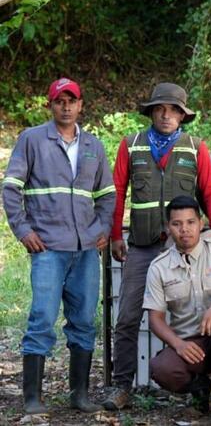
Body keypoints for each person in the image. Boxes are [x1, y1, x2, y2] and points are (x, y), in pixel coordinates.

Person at [104, 82, 211, 410]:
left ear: (183, 115)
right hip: (142, 246)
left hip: (185, 249)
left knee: (192, 314)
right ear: (151, 112)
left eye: (173, 109)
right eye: (160, 108)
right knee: (128, 316)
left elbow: (210, 192)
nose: (166, 114)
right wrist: (116, 234)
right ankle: (121, 387)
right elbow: (117, 191)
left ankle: (196, 382)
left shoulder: (195, 147)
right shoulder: (131, 145)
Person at [2, 78, 115, 414]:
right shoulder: (32, 139)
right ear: (50, 106)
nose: (66, 107)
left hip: (85, 250)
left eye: (72, 101)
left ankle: (79, 396)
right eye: (59, 101)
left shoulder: (94, 145)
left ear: (81, 105)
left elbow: (107, 196)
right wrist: (23, 230)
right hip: (48, 247)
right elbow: (11, 188)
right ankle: (32, 398)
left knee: (84, 321)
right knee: (42, 318)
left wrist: (103, 228)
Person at [143, 196, 211, 413]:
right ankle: (201, 387)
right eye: (177, 224)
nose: (184, 229)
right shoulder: (159, 267)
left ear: (201, 223)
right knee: (161, 369)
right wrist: (178, 344)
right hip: (190, 346)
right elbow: (155, 319)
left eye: (190, 222)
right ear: (168, 227)